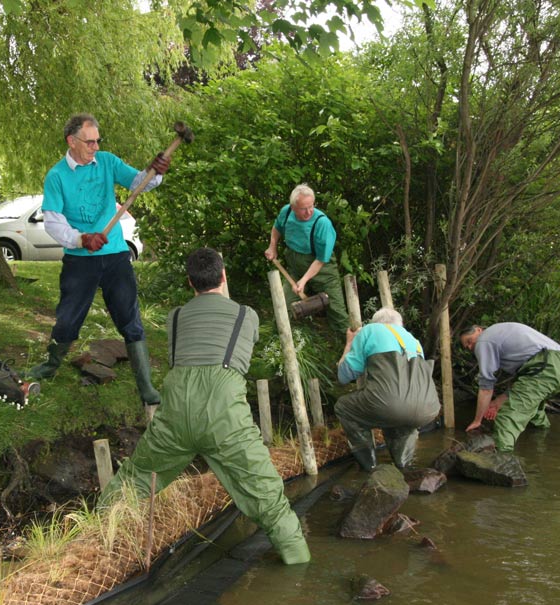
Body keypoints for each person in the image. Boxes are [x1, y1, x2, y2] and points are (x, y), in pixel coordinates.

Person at [101, 248, 310, 565]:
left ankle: (95, 537)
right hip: (224, 415)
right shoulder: (246, 315)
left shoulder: (175, 318)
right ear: (224, 276)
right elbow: (243, 343)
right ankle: (298, 563)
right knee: (266, 494)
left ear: (189, 282)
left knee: (135, 477)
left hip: (175, 412)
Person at [26, 113, 168, 406]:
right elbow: (53, 222)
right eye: (89, 142)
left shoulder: (107, 162)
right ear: (71, 141)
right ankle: (50, 366)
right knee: (68, 319)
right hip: (80, 260)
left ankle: (146, 387)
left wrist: (156, 171)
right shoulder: (57, 176)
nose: (95, 146)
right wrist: (81, 239)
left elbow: (139, 183)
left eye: (97, 141)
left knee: (130, 318)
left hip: (115, 255)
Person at [335, 307, 441, 471]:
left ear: (376, 322)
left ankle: (369, 466)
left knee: (344, 406)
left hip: (390, 404)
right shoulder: (414, 340)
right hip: (429, 409)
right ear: (400, 324)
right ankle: (404, 466)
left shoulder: (369, 331)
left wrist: (349, 343)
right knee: (400, 418)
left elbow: (344, 375)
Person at [460, 322, 560, 452]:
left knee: (507, 416)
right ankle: (541, 438)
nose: (470, 347)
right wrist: (497, 402)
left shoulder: (483, 340)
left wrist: (477, 421)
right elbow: (522, 383)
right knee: (533, 410)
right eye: (466, 346)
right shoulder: (499, 332)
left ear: (479, 330)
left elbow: (486, 386)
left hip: (544, 367)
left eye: (469, 341)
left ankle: (503, 459)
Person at [264, 184, 349, 333]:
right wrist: (272, 246)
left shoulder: (322, 223)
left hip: (322, 271)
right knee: (283, 306)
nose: (309, 211)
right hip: (295, 268)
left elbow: (321, 260)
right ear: (294, 206)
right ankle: (277, 342)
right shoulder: (286, 212)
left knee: (337, 313)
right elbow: (277, 227)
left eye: (311, 206)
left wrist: (303, 281)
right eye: (304, 208)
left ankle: (351, 346)